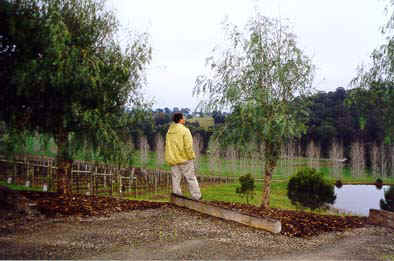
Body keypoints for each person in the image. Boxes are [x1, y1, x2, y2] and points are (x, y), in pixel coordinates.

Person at [165, 112, 202, 200]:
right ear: (180, 119)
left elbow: (167, 145)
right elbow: (188, 146)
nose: (184, 119)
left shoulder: (169, 131)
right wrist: (191, 156)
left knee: (175, 178)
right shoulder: (185, 130)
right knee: (191, 178)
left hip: (173, 159)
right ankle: (197, 196)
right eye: (183, 118)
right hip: (185, 158)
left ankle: (177, 196)